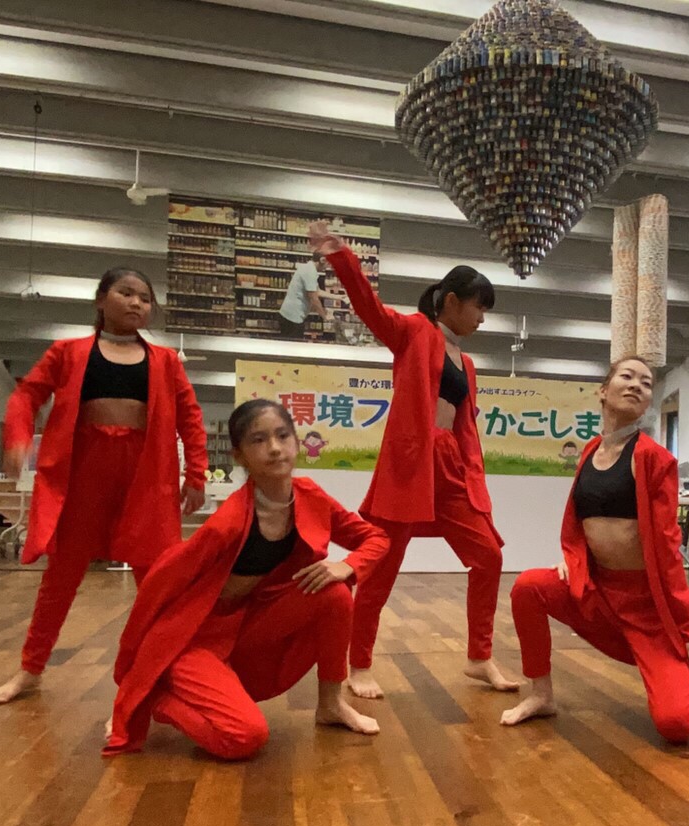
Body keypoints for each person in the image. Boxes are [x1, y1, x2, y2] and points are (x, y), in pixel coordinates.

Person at [105, 400, 387, 759]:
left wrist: (348, 565)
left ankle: (330, 704)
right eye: (258, 440)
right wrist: (134, 676)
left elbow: (376, 538)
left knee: (334, 592)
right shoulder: (228, 521)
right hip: (197, 639)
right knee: (245, 737)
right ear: (239, 455)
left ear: (297, 441)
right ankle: (156, 697)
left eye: (282, 435)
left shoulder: (310, 496)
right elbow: (160, 585)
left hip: (249, 623)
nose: (274, 448)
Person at [309, 220, 516, 699]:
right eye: (479, 308)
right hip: (410, 469)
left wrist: (471, 475)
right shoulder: (413, 332)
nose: (482, 319)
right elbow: (369, 306)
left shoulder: (467, 363)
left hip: (450, 469)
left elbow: (464, 427)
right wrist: (341, 257)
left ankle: (479, 658)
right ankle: (359, 664)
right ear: (452, 302)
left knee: (488, 556)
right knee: (379, 569)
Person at [0, 268, 209, 705]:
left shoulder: (165, 360)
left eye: (144, 298)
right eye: (126, 293)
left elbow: (190, 417)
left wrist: (197, 474)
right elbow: (26, 396)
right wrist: (16, 439)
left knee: (158, 580)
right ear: (100, 299)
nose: (136, 303)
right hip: (82, 473)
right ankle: (31, 669)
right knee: (60, 578)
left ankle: (167, 669)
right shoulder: (68, 352)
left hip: (145, 474)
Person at [501, 357, 689, 743]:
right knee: (528, 587)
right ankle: (542, 695)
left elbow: (667, 546)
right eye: (627, 376)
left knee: (677, 725)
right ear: (603, 391)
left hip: (647, 606)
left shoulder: (654, 458)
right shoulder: (590, 450)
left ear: (648, 402)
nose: (636, 385)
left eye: (646, 383)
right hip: (598, 591)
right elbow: (579, 519)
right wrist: (573, 559)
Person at [278, 251, 327, 341]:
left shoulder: (308, 267)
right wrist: (325, 317)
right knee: (293, 347)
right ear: (322, 260)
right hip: (293, 318)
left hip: (289, 314)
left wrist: (338, 297)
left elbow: (317, 291)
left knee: (287, 345)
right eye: (328, 263)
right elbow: (314, 299)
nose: (328, 266)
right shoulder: (310, 272)